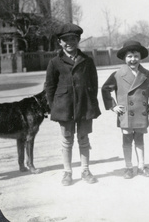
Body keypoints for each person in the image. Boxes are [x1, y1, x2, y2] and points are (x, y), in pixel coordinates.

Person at [45, 23, 101, 186]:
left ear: (78, 40)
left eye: (73, 39)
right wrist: (53, 106)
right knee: (67, 140)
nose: (70, 42)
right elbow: (50, 86)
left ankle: (85, 170)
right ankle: (67, 172)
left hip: (84, 107)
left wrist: (90, 103)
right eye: (65, 40)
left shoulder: (87, 60)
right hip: (64, 107)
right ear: (60, 42)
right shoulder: (55, 62)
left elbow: (93, 83)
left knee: (83, 139)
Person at [101, 40, 149, 179]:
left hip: (141, 113)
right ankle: (128, 167)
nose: (133, 59)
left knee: (140, 139)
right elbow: (105, 89)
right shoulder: (117, 74)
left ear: (140, 57)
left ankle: (141, 166)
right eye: (129, 56)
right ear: (124, 58)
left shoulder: (147, 74)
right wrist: (113, 106)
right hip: (125, 114)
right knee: (127, 139)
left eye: (136, 56)